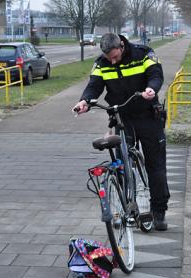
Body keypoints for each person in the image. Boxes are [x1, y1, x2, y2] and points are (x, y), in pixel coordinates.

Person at [72, 33, 170, 231]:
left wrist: (152, 89)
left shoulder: (143, 53)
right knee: (122, 166)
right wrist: (84, 101)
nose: (113, 61)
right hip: (122, 117)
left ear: (122, 46)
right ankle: (125, 209)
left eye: (115, 57)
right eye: (109, 58)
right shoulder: (102, 63)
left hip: (148, 115)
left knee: (156, 165)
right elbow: (94, 85)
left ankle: (158, 211)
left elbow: (156, 74)